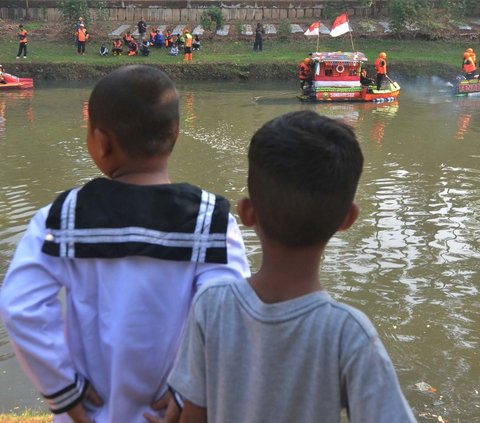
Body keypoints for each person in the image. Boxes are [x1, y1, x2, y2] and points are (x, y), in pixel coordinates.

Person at [0, 65, 250, 423]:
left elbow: (20, 307)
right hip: (176, 412)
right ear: (176, 134)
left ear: (100, 141)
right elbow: (231, 316)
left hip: (88, 413)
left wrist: (63, 390)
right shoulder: (212, 220)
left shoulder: (62, 217)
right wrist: (189, 389)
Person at [165, 111, 418, 423]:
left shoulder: (211, 305)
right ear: (347, 220)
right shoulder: (348, 333)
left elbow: (194, 416)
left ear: (246, 213)